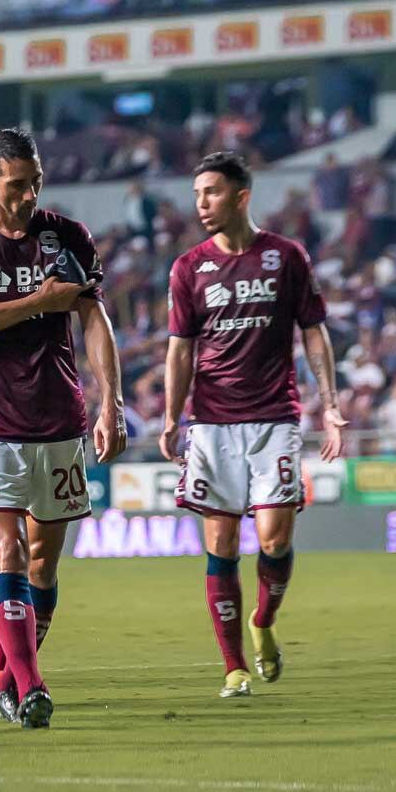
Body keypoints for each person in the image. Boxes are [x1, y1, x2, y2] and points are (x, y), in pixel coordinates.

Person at [0, 128, 127, 728]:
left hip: (59, 420)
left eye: (36, 183)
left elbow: (92, 317)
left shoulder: (66, 236)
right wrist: (37, 303)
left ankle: (3, 677)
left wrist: (111, 403)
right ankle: (31, 684)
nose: (28, 196)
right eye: (17, 185)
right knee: (7, 551)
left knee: (44, 563)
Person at [160, 151, 347, 699]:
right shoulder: (188, 267)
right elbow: (180, 349)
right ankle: (233, 666)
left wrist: (329, 402)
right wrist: (171, 416)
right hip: (212, 422)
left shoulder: (286, 257)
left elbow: (313, 331)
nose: (202, 204)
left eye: (212, 193)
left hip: (274, 417)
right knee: (220, 543)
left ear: (242, 196)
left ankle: (263, 620)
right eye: (197, 195)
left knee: (274, 537)